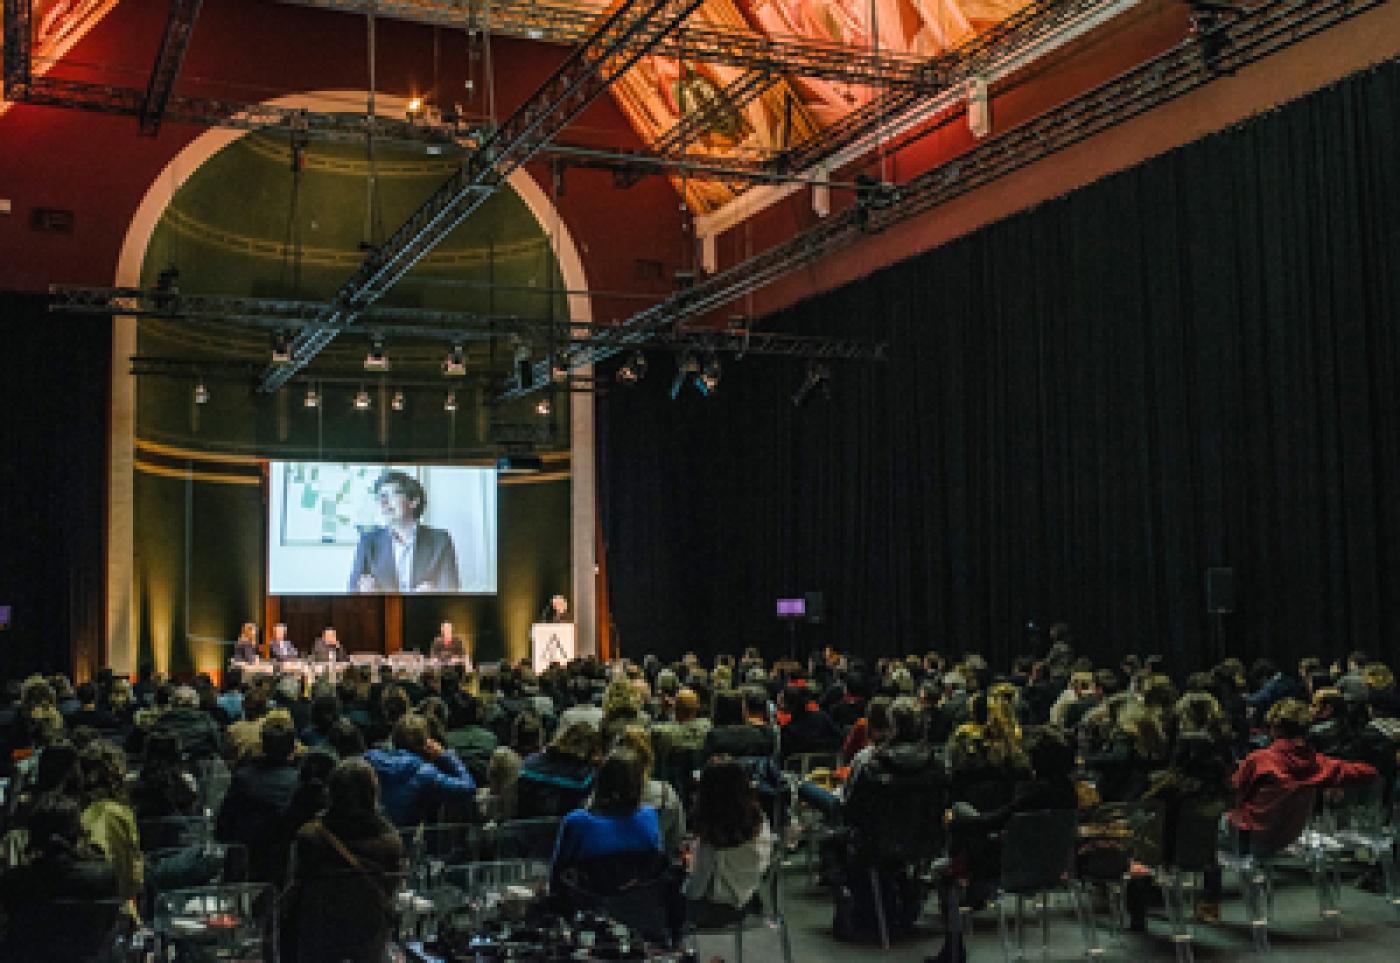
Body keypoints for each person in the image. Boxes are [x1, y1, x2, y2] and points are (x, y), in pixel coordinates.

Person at [285, 758, 404, 963]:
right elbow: (392, 889)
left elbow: (295, 888)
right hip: (369, 936)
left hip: (317, 935)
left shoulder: (310, 837)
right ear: (373, 794)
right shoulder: (390, 843)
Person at [684, 756, 774, 926]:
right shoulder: (758, 819)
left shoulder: (710, 832)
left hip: (717, 908)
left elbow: (697, 886)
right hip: (749, 898)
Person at [347, 470, 460, 593]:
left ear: (413, 501)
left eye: (392, 495)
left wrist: (435, 595)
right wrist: (364, 594)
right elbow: (351, 592)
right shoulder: (368, 541)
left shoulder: (441, 540)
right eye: (382, 496)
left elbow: (452, 592)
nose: (384, 503)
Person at [363, 713, 476, 826]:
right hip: (403, 840)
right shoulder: (425, 772)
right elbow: (468, 787)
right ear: (427, 744)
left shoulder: (370, 759)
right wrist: (445, 756)